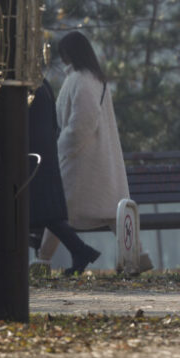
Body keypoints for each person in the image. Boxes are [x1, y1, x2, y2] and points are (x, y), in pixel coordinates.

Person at [36, 31, 130, 270]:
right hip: (93, 158)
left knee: (56, 208)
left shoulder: (82, 80)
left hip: (81, 159)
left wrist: (60, 149)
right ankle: (134, 256)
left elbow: (81, 124)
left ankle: (45, 259)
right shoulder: (93, 78)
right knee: (105, 212)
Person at [27, 78, 102, 275]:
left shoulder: (29, 86)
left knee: (43, 212)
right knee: (47, 212)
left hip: (33, 155)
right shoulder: (42, 84)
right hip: (45, 153)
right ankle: (81, 250)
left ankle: (81, 250)